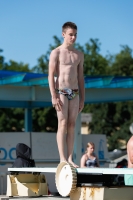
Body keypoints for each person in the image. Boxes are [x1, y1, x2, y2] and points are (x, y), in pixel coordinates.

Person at [48, 22, 84, 168]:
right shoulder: (56, 52)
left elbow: (81, 78)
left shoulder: (79, 55)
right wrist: (53, 95)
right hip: (61, 91)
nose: (73, 37)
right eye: (71, 34)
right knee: (62, 123)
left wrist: (83, 98)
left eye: (75, 35)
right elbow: (50, 75)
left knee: (72, 124)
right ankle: (62, 158)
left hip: (74, 92)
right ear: (63, 34)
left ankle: (69, 158)